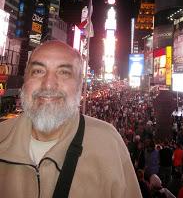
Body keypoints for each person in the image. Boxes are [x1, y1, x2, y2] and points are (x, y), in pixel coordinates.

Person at [0, 40, 142, 198]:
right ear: (25, 80)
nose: (48, 85)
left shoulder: (109, 143)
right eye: (38, 71)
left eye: (64, 73)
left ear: (80, 84)